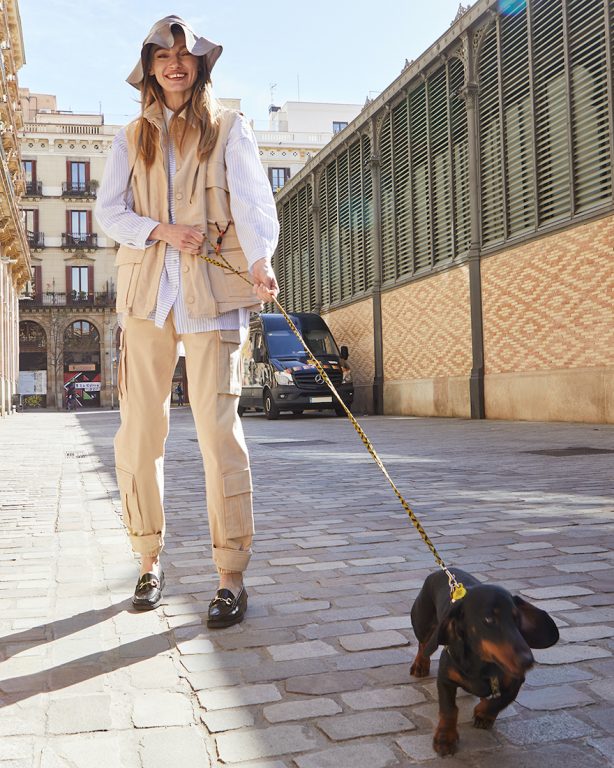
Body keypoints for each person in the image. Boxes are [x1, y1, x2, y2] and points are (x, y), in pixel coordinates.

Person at [95, 15, 279, 627]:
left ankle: (230, 576)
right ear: (149, 67)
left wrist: (261, 260)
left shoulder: (230, 128)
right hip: (147, 298)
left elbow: (253, 201)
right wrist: (162, 231)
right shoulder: (129, 138)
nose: (175, 64)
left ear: (199, 65)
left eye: (184, 54)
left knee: (219, 434)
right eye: (163, 55)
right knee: (140, 433)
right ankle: (147, 561)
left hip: (215, 295)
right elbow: (109, 211)